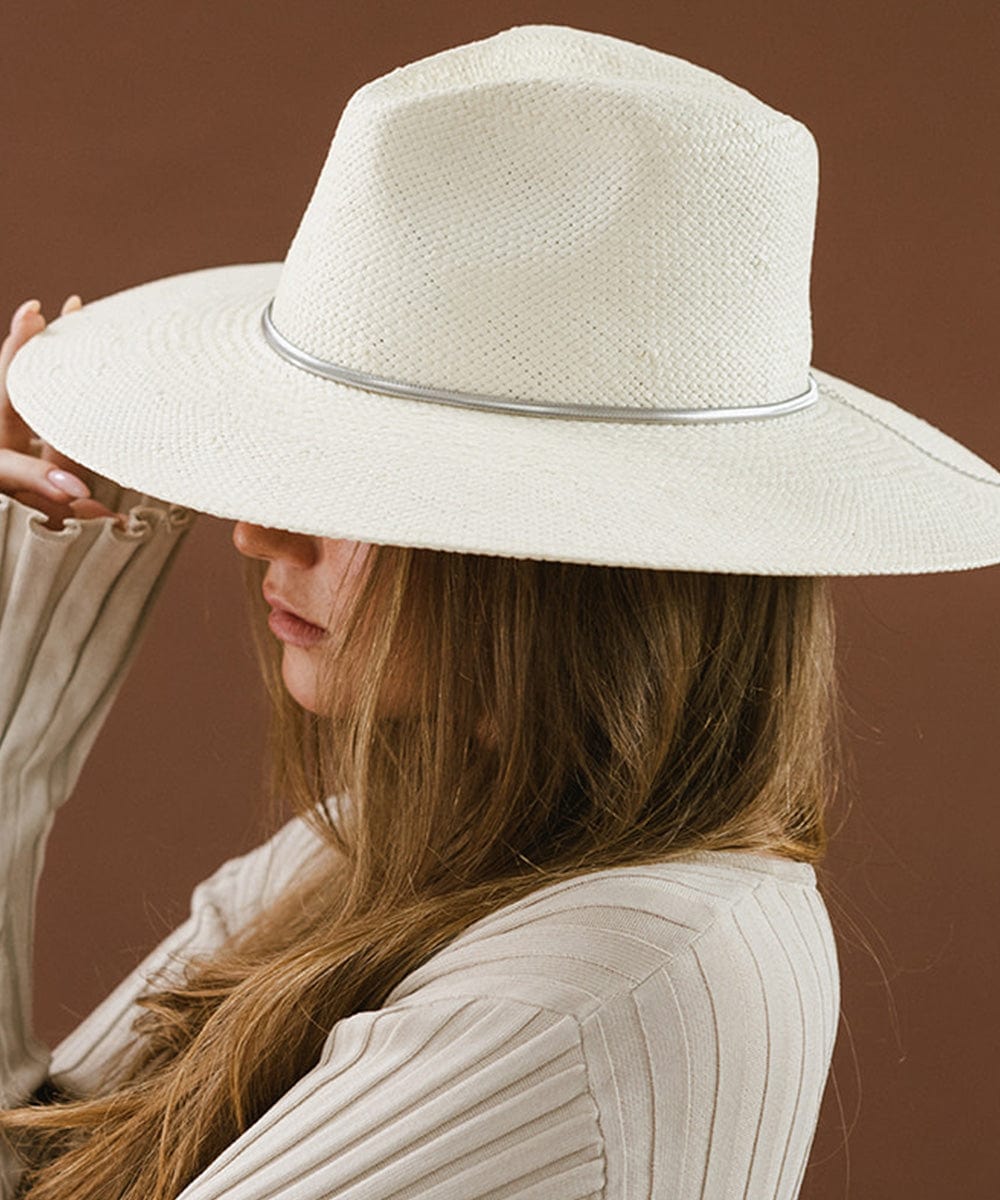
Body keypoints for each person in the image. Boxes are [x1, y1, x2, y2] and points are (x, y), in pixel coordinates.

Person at [0, 23, 997, 1200]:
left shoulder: (608, 974)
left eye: (358, 480)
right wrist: (38, 584)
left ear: (566, 563)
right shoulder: (367, 847)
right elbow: (41, 1153)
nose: (256, 530)